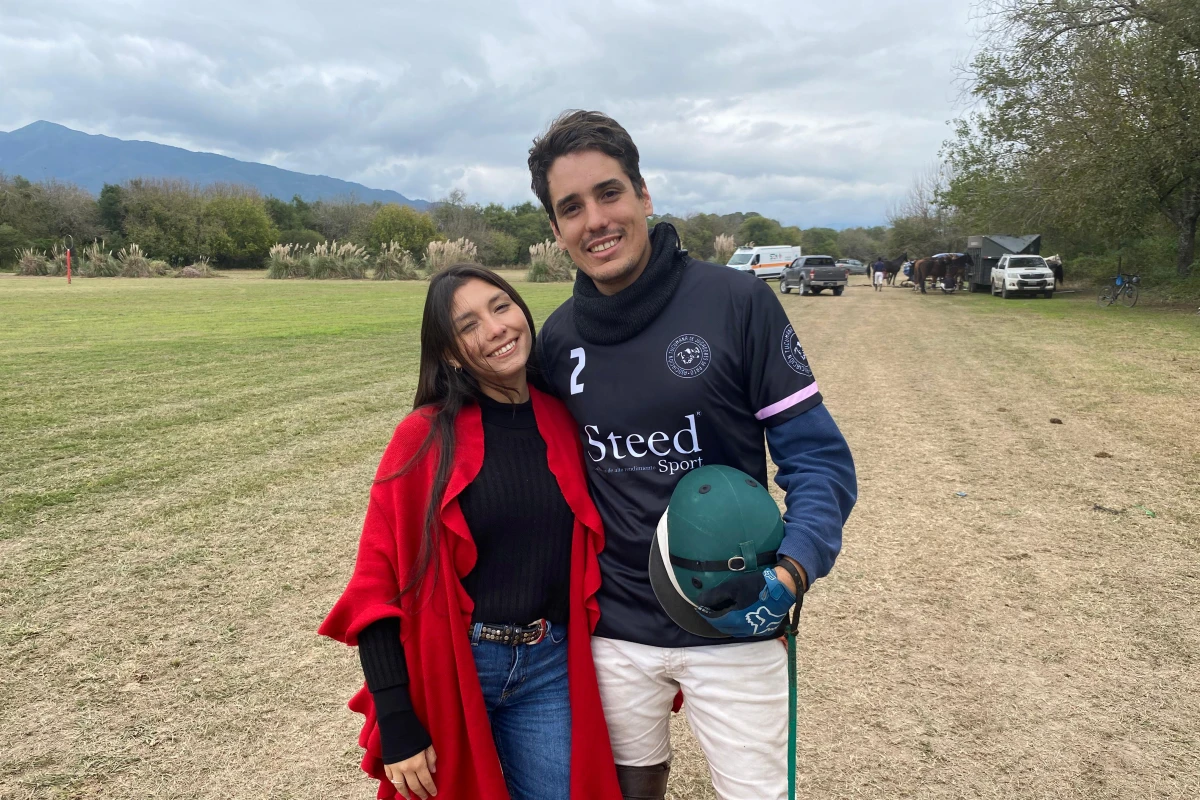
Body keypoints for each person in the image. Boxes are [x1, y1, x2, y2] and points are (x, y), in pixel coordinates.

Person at [528, 111, 858, 800]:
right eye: (571, 208)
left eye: (609, 193)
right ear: (556, 232)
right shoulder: (556, 343)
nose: (596, 219)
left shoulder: (737, 302)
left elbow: (818, 460)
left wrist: (792, 572)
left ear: (644, 196)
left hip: (736, 617)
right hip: (612, 629)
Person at [319, 265, 622, 800]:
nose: (496, 328)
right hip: (457, 668)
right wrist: (395, 716)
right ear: (452, 355)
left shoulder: (563, 421)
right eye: (468, 325)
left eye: (501, 306)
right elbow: (376, 586)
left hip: (550, 664)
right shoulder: (424, 437)